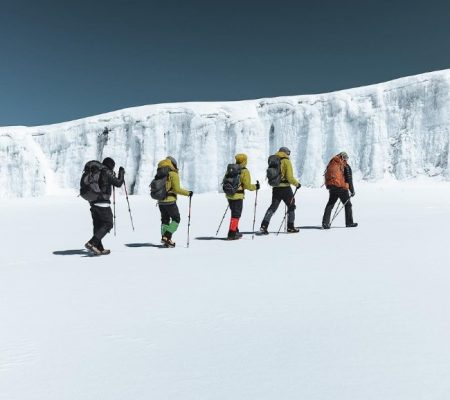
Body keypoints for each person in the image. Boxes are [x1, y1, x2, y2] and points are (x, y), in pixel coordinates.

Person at [85, 157, 125, 255]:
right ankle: (92, 243)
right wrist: (121, 173)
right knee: (108, 224)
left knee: (97, 225)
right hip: (102, 202)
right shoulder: (106, 171)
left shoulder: (97, 171)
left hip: (93, 202)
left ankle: (99, 248)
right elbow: (118, 183)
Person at [260, 147, 301, 234]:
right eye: (288, 153)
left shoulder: (273, 160)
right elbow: (289, 177)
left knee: (273, 207)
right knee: (291, 205)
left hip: (276, 188)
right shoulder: (286, 161)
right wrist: (297, 184)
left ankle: (264, 225)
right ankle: (290, 227)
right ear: (285, 152)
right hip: (285, 188)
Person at [157, 156, 193, 247]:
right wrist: (188, 193)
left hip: (161, 201)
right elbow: (177, 189)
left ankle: (166, 239)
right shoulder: (173, 173)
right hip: (170, 201)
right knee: (176, 219)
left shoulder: (159, 172)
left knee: (165, 220)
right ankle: (166, 236)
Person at [224, 154, 259, 240]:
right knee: (236, 215)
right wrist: (256, 186)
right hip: (238, 196)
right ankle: (232, 234)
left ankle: (235, 230)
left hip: (229, 195)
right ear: (244, 161)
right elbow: (247, 186)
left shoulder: (230, 169)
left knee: (234, 214)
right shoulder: (244, 171)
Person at [322, 151, 358, 229]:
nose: (347, 160)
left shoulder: (333, 162)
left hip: (332, 187)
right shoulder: (345, 166)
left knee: (330, 205)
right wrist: (352, 191)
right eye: (347, 158)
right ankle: (349, 223)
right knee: (348, 205)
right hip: (342, 188)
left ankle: (325, 223)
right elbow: (349, 179)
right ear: (344, 158)